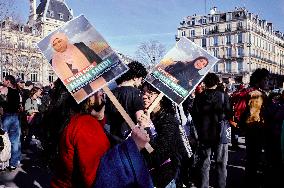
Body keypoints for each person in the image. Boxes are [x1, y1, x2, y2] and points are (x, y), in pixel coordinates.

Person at [48, 80, 153, 188]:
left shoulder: (75, 119)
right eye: (95, 88)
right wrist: (133, 146)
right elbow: (101, 179)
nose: (101, 92)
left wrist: (99, 118)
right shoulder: (85, 125)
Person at [140, 82, 188, 188]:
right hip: (149, 177)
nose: (144, 96)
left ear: (161, 97)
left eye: (150, 93)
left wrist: (147, 129)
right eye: (143, 92)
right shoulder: (147, 117)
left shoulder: (168, 121)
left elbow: (160, 155)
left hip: (166, 179)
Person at [191, 73, 231, 188]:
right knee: (221, 163)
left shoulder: (199, 97)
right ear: (216, 82)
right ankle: (221, 185)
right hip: (220, 133)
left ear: (205, 83)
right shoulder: (223, 96)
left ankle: (204, 185)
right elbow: (229, 114)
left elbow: (194, 115)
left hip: (204, 134)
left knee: (204, 163)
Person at [50, 32, 103, 102]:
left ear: (65, 39)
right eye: (54, 44)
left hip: (98, 83)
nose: (58, 45)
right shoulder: (54, 62)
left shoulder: (80, 46)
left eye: (59, 41)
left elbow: (98, 61)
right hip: (80, 94)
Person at [239, 68, 270, 187]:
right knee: (253, 158)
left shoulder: (254, 92)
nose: (268, 82)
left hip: (252, 130)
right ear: (259, 80)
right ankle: (251, 181)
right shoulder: (256, 94)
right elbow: (253, 116)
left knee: (252, 157)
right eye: (266, 79)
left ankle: (250, 179)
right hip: (255, 130)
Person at [105, 61, 147, 141]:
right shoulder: (136, 93)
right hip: (128, 138)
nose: (141, 83)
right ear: (135, 77)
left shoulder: (111, 92)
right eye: (141, 79)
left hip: (111, 136)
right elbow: (140, 119)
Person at [0, 75, 21, 171]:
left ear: (8, 81)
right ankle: (13, 163)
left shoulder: (5, 90)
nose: (2, 81)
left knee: (3, 139)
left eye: (4, 80)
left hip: (7, 116)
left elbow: (1, 102)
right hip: (15, 117)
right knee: (15, 141)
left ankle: (2, 163)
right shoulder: (18, 91)